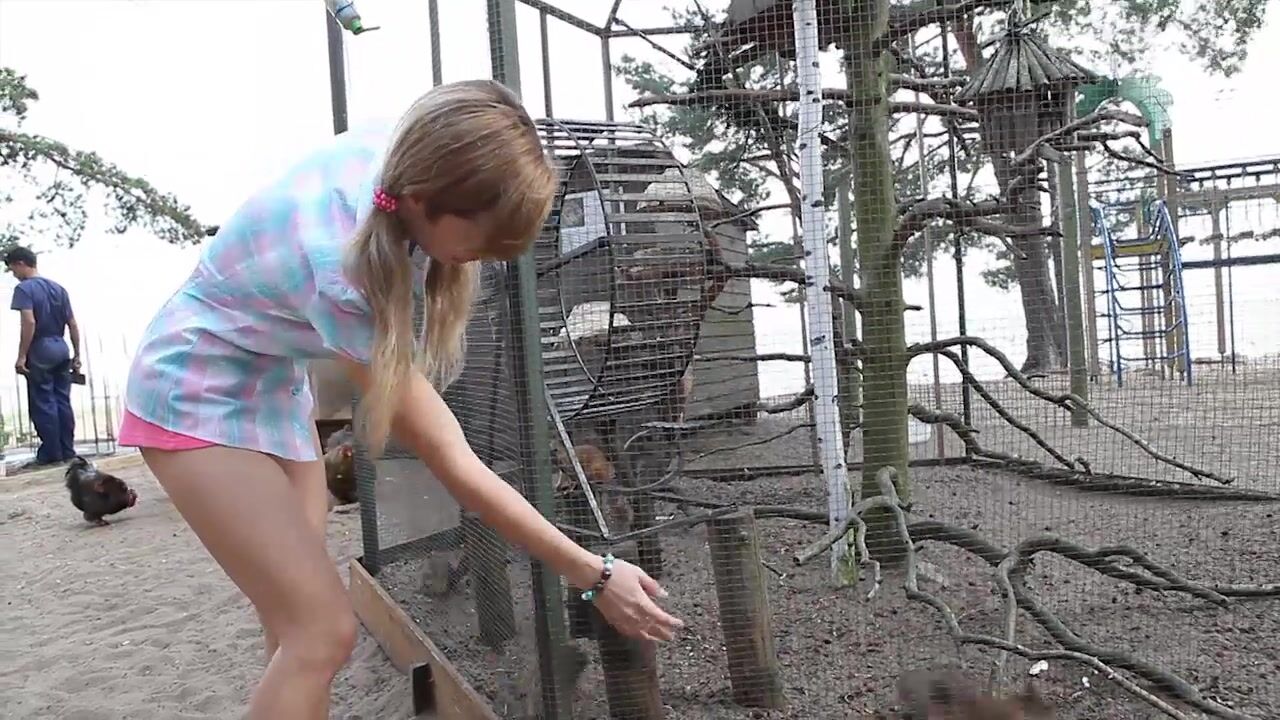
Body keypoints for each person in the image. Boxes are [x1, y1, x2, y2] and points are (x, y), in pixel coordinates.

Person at [117, 79, 682, 720]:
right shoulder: (343, 269)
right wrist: (594, 573)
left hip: (273, 382)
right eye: (478, 242)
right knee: (321, 633)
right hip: (193, 392)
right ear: (420, 201)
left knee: (292, 624)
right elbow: (451, 458)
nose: (482, 259)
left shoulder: (409, 152)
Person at [5, 245, 81, 467]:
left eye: (13, 269)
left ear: (21, 263)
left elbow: (29, 321)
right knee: (62, 400)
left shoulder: (24, 289)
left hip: (40, 348)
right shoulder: (59, 289)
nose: (14, 275)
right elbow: (73, 324)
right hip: (61, 347)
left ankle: (51, 453)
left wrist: (22, 355)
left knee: (43, 402)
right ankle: (68, 450)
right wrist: (77, 354)